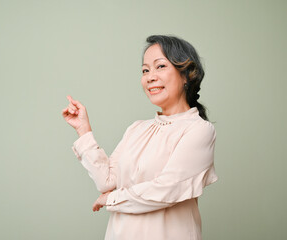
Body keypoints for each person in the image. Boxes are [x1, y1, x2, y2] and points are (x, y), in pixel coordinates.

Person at [61, 34, 218, 240]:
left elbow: (167, 189)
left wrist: (112, 199)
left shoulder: (199, 130)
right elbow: (106, 182)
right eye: (145, 70)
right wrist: (83, 130)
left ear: (186, 74)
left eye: (160, 66)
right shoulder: (136, 129)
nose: (150, 77)